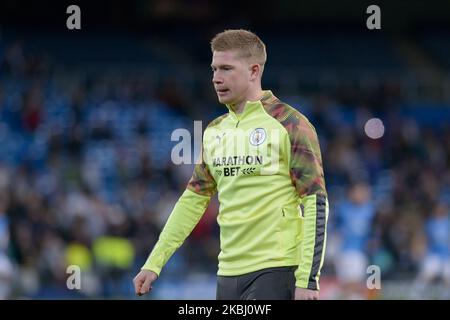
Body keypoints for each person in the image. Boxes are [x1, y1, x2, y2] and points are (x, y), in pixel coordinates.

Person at [133, 29, 329, 300]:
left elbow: (315, 201)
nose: (216, 78)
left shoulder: (289, 123)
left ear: (253, 71)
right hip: (227, 273)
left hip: (277, 269)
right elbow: (192, 201)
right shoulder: (214, 131)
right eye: (214, 69)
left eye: (226, 68)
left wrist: (308, 278)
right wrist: (154, 263)